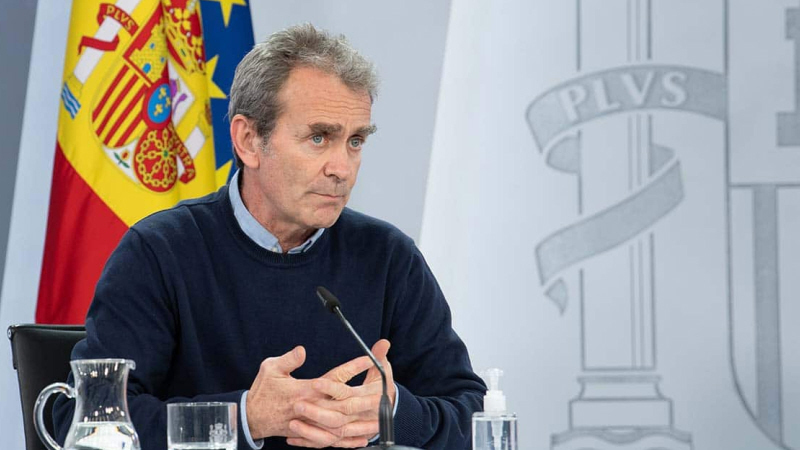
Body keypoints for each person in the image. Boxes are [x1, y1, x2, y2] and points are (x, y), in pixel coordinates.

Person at [54, 23, 485, 449]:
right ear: (248, 140)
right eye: (319, 137)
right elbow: (83, 420)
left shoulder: (388, 257)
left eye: (355, 141)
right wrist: (244, 418)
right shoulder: (159, 252)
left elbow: (475, 415)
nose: (342, 168)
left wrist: (393, 414)